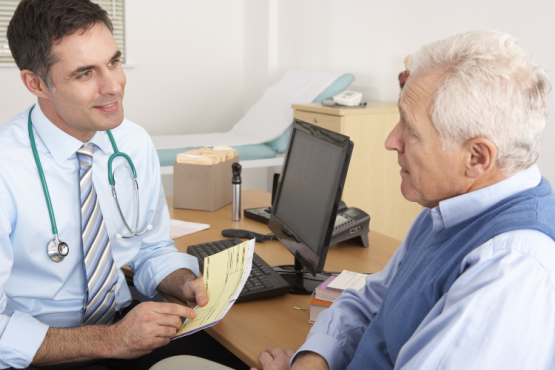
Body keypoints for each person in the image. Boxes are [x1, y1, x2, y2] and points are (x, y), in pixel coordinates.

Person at [254, 30, 554, 370]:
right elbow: (372, 302)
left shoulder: (510, 268)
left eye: (410, 129)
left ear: (476, 157)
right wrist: (313, 359)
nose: (391, 141)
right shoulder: (448, 209)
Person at [0, 1, 246, 369]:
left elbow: (148, 247)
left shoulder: (130, 142)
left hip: (125, 327)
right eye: (85, 73)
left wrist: (181, 282)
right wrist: (111, 340)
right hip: (40, 352)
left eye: (113, 62)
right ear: (36, 83)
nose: (114, 86)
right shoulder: (6, 165)